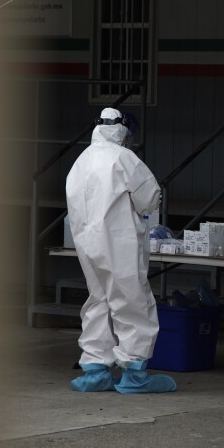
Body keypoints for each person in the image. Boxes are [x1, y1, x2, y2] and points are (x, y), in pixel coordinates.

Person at [65, 107, 176, 394]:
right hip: (118, 242)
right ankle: (135, 374)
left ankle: (95, 370)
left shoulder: (81, 161)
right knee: (132, 302)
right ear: (123, 131)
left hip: (87, 243)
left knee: (98, 300)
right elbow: (150, 199)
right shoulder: (123, 157)